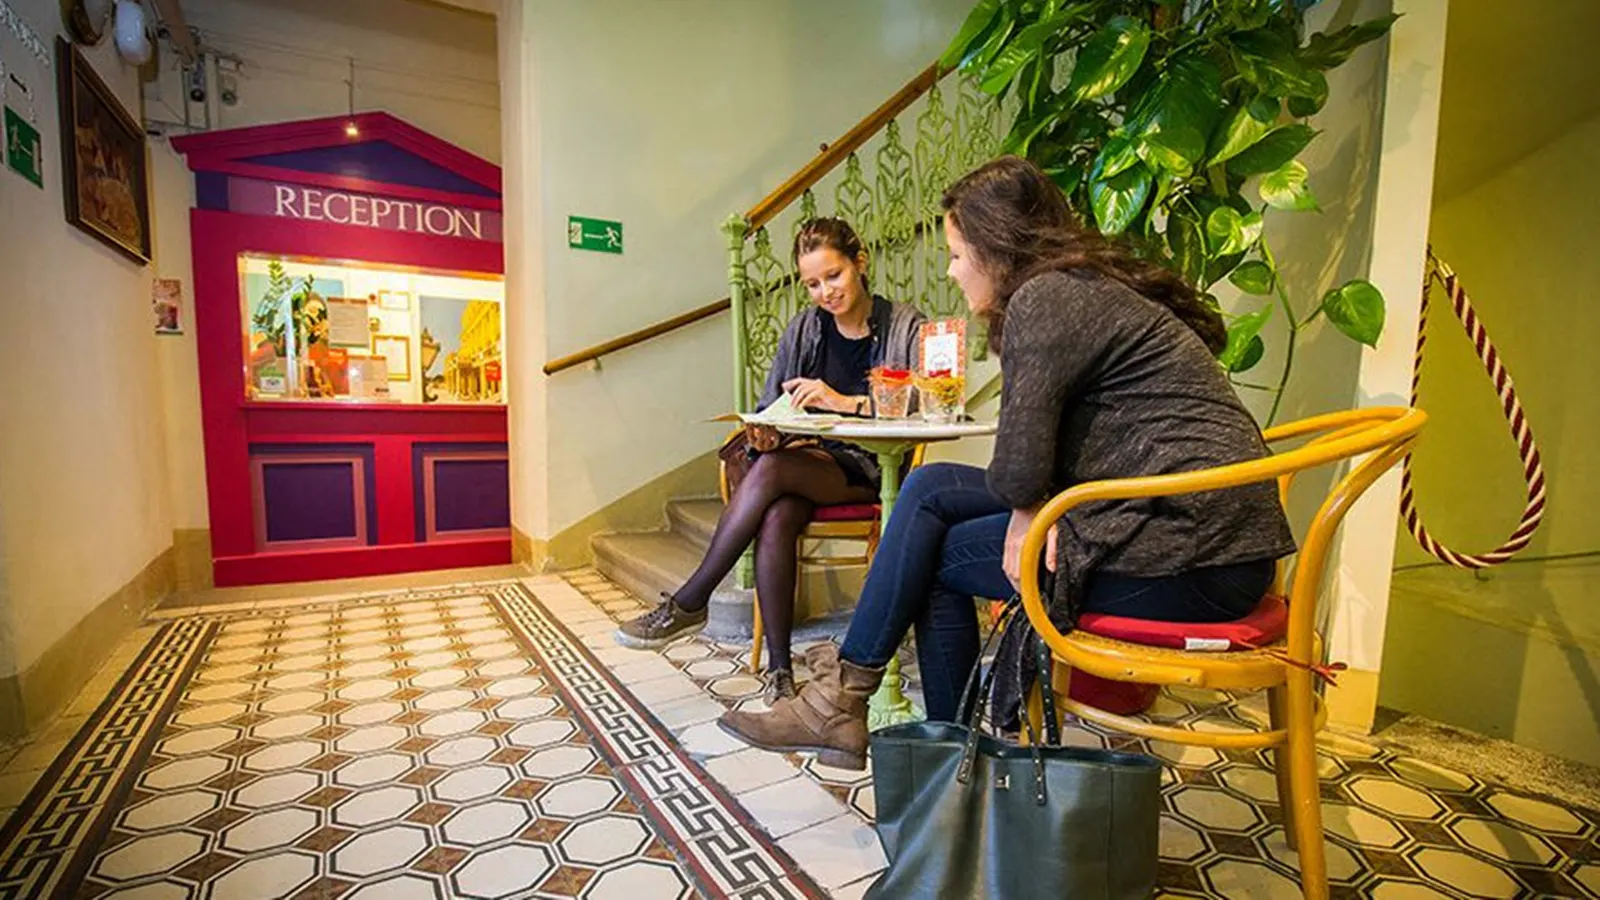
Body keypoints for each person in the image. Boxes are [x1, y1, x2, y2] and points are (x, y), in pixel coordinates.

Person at [718, 156, 1297, 770]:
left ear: (995, 247)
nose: (951, 270)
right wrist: (1028, 507)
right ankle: (851, 706)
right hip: (1192, 532)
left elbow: (1020, 468)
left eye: (956, 254)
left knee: (934, 558)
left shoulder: (1044, 299)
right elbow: (1031, 467)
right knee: (929, 485)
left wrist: (1028, 512)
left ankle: (935, 753)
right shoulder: (1083, 286)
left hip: (1193, 557)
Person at [616, 217, 925, 702]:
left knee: (774, 472)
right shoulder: (805, 328)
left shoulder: (904, 324)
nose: (825, 292)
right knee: (777, 513)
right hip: (806, 462)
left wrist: (843, 402)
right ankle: (781, 672)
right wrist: (764, 431)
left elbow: (924, 403)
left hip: (872, 466)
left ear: (860, 263)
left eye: (834, 276)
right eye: (813, 284)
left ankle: (691, 600)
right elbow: (770, 405)